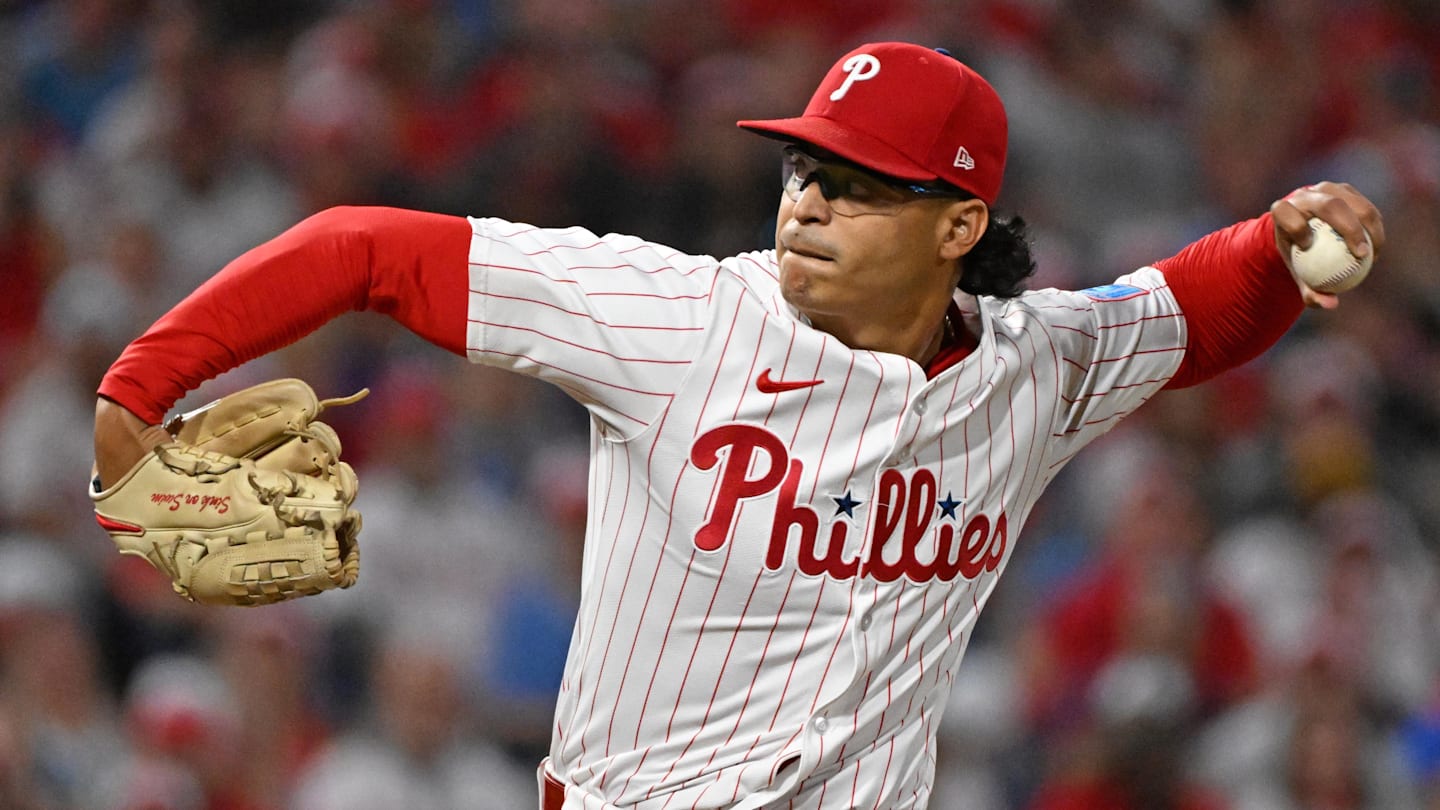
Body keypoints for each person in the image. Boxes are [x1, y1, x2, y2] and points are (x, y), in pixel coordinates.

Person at [91, 41, 1384, 809]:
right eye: (805, 168)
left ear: (957, 229)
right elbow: (361, 246)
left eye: (860, 185)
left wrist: (1283, 249)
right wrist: (141, 390)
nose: (810, 202)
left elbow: (1184, 309)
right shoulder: (675, 315)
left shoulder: (1032, 366)